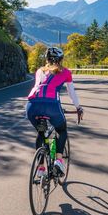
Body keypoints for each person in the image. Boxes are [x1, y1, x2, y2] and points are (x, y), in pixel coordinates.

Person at [26, 47, 83, 177]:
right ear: (61, 60)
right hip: (51, 106)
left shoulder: (40, 71)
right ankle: (58, 160)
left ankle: (41, 169)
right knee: (61, 130)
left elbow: (39, 88)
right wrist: (78, 107)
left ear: (46, 59)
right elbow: (71, 93)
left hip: (32, 106)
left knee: (42, 133)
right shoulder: (66, 72)